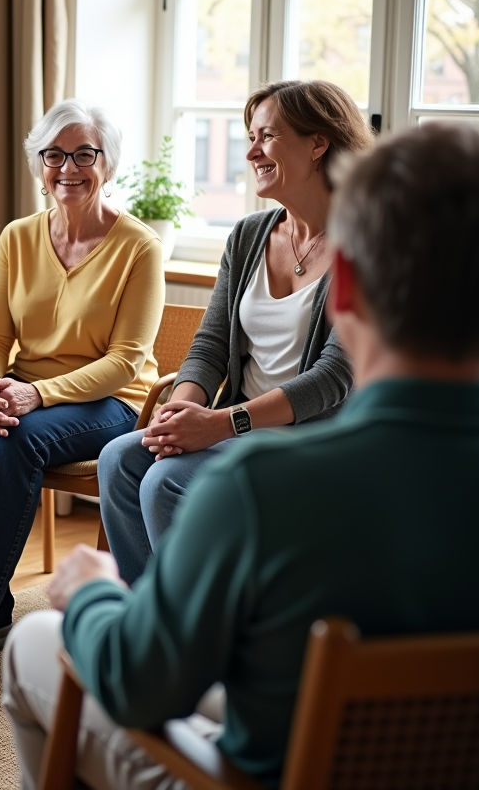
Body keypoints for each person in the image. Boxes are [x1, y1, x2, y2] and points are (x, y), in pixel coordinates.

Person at [3, 121, 479, 789]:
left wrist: (92, 596)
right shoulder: (252, 242)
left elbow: (137, 688)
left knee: (36, 643)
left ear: (342, 287)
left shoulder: (262, 486)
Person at [98, 79, 373, 584]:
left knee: (165, 483)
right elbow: (210, 344)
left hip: (311, 441)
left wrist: (220, 424)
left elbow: (334, 379)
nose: (251, 152)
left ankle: (198, 641)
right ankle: (150, 624)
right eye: (251, 137)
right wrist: (183, 406)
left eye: (267, 136)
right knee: (119, 458)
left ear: (318, 143)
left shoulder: (368, 243)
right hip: (235, 427)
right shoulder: (249, 235)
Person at [0, 99, 165, 650]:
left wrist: (36, 394)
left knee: (17, 439)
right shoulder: (18, 237)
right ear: (40, 166)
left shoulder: (139, 248)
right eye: (54, 155)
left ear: (108, 163)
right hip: (19, 388)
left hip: (110, 400)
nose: (68, 168)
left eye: (84, 154)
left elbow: (125, 360)